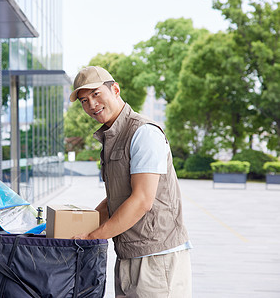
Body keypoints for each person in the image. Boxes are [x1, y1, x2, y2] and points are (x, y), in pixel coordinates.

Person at [70, 66, 192, 297]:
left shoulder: (143, 133)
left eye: (96, 94)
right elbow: (118, 196)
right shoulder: (113, 136)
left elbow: (142, 200)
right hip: (129, 255)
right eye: (84, 101)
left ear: (115, 89)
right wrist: (77, 228)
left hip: (157, 258)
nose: (91, 105)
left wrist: (93, 237)